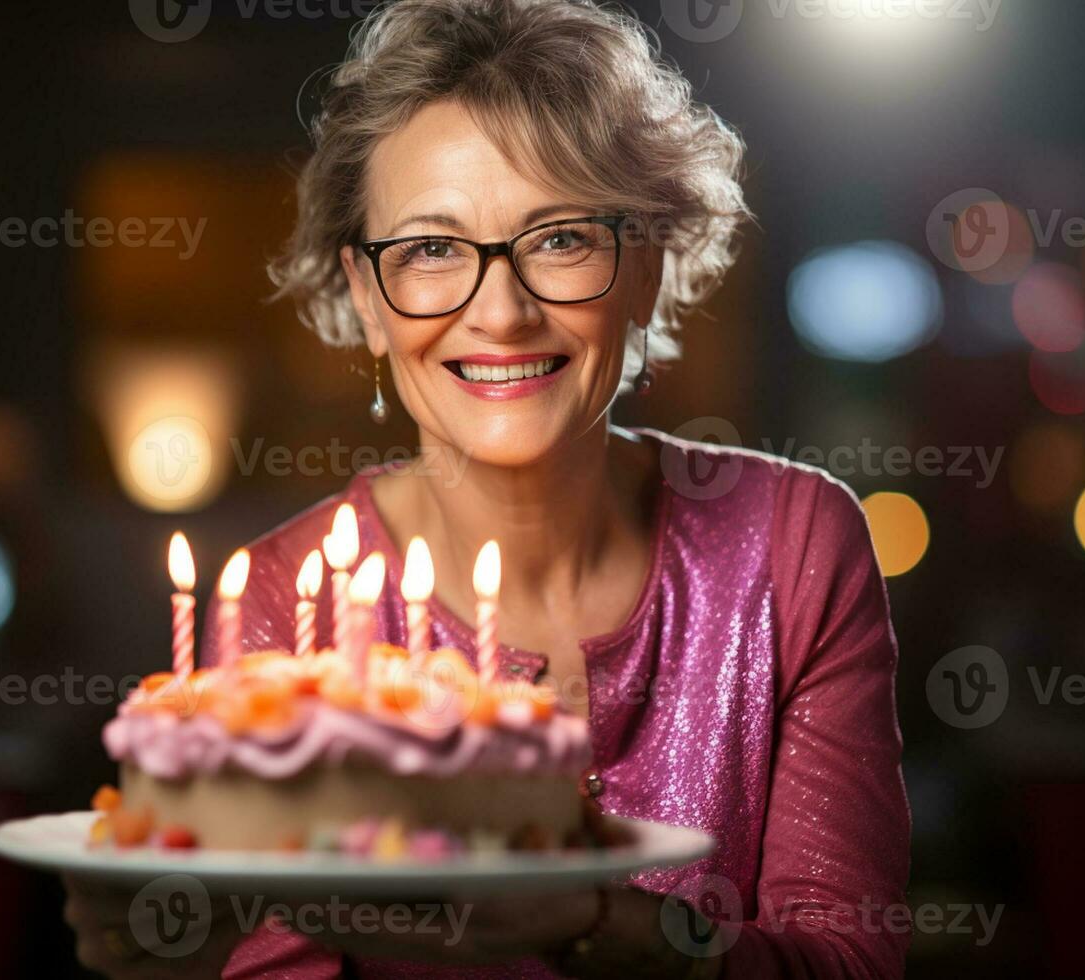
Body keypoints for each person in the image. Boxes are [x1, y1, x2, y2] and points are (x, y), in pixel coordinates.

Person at [66, 0, 910, 976]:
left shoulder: (795, 547)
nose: (501, 311)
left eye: (560, 239)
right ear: (368, 300)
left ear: (645, 265)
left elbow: (850, 963)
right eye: (430, 250)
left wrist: (607, 924)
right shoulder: (284, 601)